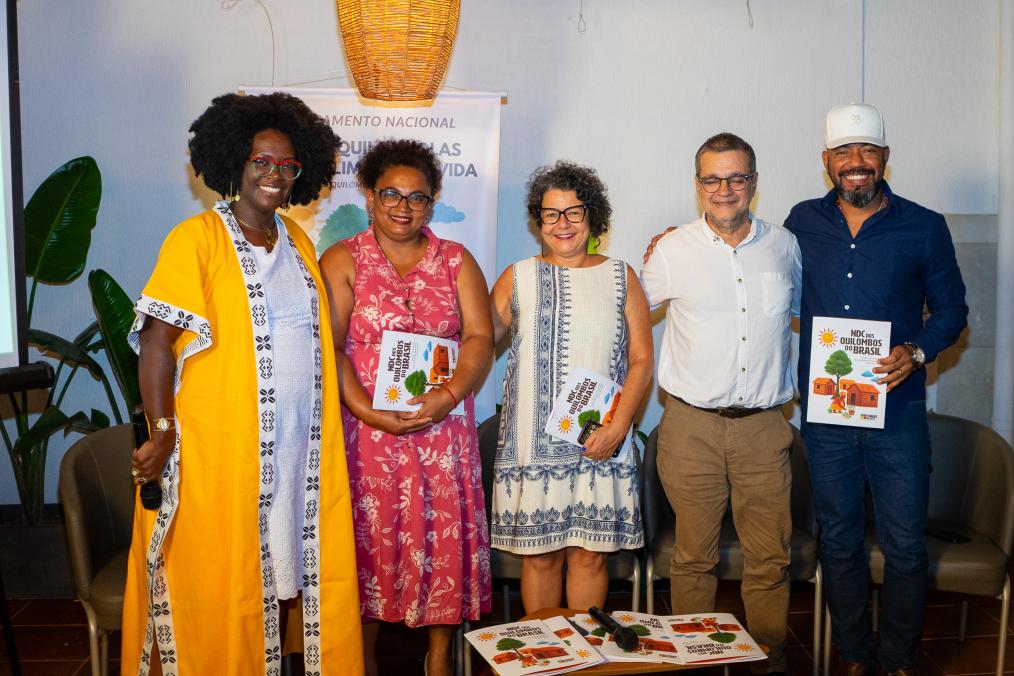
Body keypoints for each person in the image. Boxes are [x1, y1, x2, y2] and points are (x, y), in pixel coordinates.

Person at [123, 92, 363, 675]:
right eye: (261, 162)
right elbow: (157, 342)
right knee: (211, 579)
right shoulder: (197, 239)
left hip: (291, 453)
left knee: (277, 576)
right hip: (219, 451)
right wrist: (161, 430)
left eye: (287, 165)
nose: (274, 176)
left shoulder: (299, 244)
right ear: (235, 162)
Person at [783, 103, 968, 676]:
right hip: (827, 415)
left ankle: (898, 659)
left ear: (885, 158)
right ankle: (855, 654)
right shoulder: (801, 221)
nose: (855, 164)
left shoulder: (924, 225)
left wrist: (916, 353)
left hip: (898, 413)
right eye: (844, 153)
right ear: (827, 162)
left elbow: (953, 310)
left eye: (866, 152)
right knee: (837, 540)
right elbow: (753, 260)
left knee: (905, 544)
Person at [319, 139, 493, 676]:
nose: (403, 206)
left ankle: (439, 657)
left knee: (442, 537)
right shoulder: (343, 258)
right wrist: (367, 412)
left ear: (432, 203)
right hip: (366, 430)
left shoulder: (457, 260)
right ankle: (361, 657)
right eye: (391, 194)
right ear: (369, 197)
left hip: (442, 430)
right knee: (366, 540)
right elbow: (334, 346)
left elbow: (481, 337)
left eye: (417, 197)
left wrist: (447, 396)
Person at [641, 132, 803, 676]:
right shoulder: (671, 250)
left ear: (754, 183)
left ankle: (770, 660)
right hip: (691, 429)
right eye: (713, 178)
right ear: (697, 186)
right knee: (692, 560)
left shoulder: (786, 247)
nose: (725, 189)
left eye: (736, 178)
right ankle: (697, 664)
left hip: (764, 429)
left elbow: (810, 319)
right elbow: (628, 322)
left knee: (771, 559)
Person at [489, 161, 652, 613]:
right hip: (531, 449)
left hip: (602, 441)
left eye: (574, 212)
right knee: (539, 560)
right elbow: (475, 341)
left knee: (589, 557)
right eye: (551, 214)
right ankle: (546, 657)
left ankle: (587, 657)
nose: (562, 224)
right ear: (538, 220)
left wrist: (619, 428)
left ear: (593, 216)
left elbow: (641, 360)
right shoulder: (517, 276)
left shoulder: (622, 277)